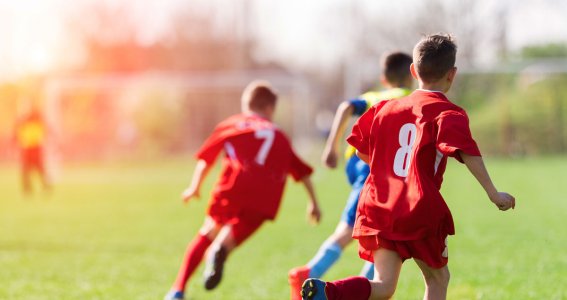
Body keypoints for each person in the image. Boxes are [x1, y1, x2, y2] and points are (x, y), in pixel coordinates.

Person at [300, 34, 516, 300]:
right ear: (452, 74)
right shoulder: (448, 112)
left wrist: (387, 169)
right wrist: (493, 193)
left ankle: (330, 292)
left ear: (414, 71)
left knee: (383, 285)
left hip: (379, 206)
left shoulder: (384, 108)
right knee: (438, 279)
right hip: (418, 208)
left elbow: (360, 150)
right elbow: (468, 152)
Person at [164, 80, 322, 300]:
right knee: (237, 229)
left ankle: (177, 290)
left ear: (246, 104)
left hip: (232, 187)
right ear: (269, 109)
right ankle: (221, 249)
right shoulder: (279, 135)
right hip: (265, 195)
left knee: (208, 232)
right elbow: (303, 173)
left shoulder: (233, 124)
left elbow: (206, 159)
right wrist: (313, 202)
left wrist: (194, 187)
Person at [288, 52, 414, 300]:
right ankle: (309, 273)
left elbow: (348, 106)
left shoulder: (375, 96)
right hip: (377, 171)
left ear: (384, 78)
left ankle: (361, 286)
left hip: (360, 165)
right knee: (361, 232)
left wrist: (332, 148)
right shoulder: (407, 98)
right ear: (412, 75)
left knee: (382, 235)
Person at [13, 102, 51, 196]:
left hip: (36, 147)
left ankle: (45, 187)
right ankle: (27, 190)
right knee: (26, 170)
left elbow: (44, 129)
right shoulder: (22, 120)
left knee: (40, 169)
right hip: (27, 148)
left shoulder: (37, 118)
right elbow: (17, 133)